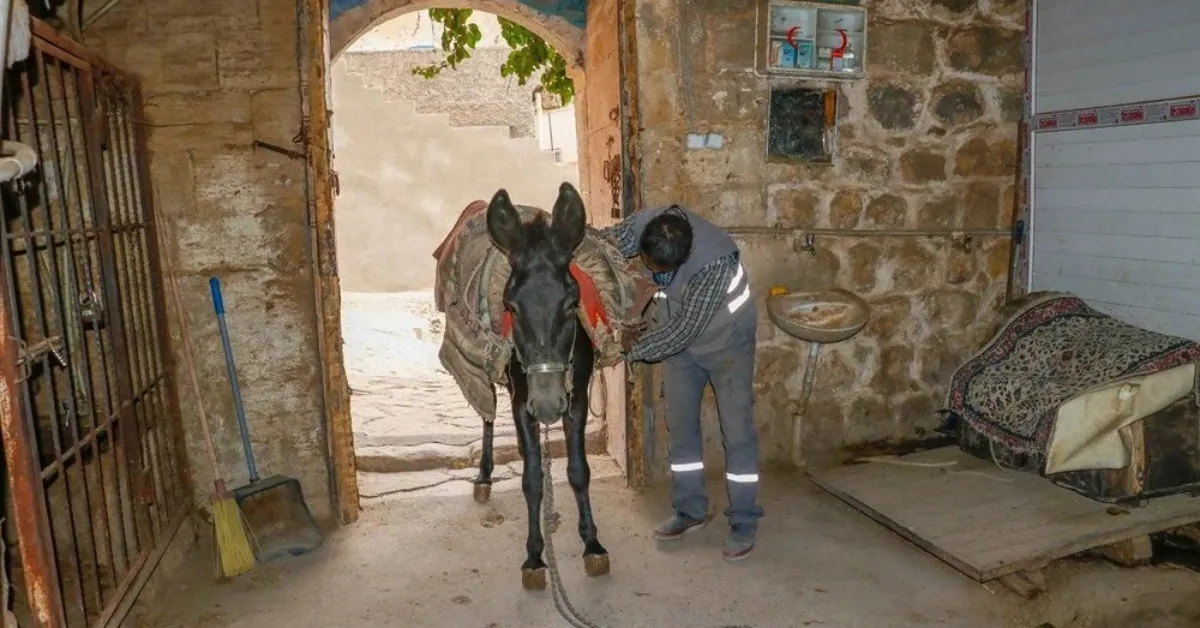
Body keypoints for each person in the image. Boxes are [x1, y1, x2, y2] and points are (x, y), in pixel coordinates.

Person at [603, 205, 763, 562]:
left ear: (685, 255)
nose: (655, 274)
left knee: (737, 433)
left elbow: (680, 333)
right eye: (649, 263)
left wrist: (624, 351)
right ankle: (690, 510)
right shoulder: (644, 224)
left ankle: (744, 519)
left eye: (664, 270)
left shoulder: (715, 261)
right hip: (682, 348)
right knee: (680, 427)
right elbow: (605, 245)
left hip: (728, 343)